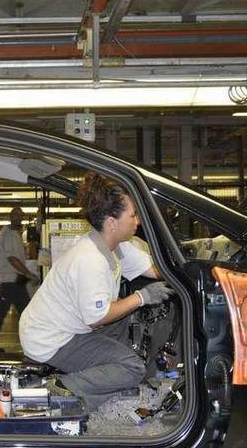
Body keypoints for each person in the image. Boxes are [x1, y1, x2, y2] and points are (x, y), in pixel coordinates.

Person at [19, 173, 174, 411]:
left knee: (124, 320)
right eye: (132, 216)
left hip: (70, 325)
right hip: (50, 339)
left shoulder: (115, 247)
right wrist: (141, 297)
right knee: (132, 367)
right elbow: (97, 319)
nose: (138, 222)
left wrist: (188, 270)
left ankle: (103, 377)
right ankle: (65, 388)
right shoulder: (90, 259)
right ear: (112, 222)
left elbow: (157, 269)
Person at [0, 206, 40, 353]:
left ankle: (35, 342)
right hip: (10, 281)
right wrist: (29, 274)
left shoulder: (15, 234)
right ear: (10, 216)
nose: (19, 218)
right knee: (3, 314)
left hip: (16, 281)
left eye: (21, 215)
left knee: (25, 313)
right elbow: (12, 259)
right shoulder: (9, 234)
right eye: (16, 215)